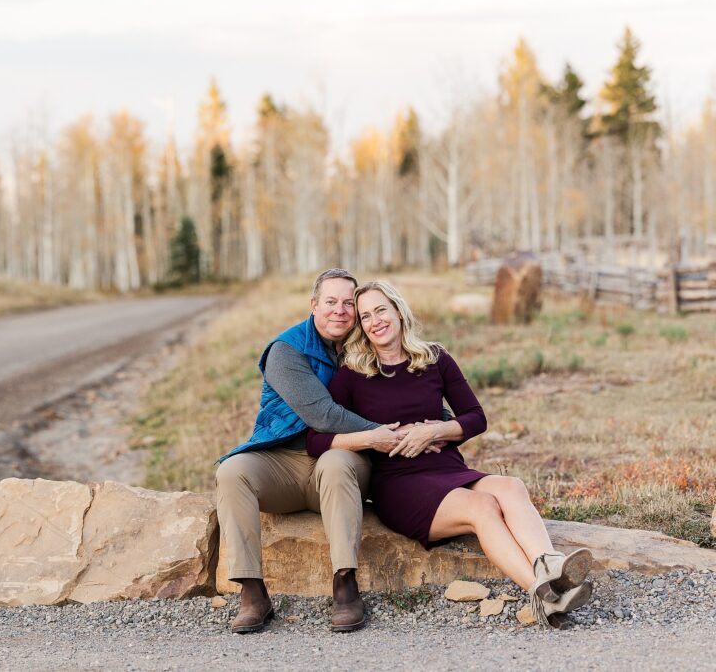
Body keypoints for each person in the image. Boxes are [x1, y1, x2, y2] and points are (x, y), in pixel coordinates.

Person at [306, 280, 594, 628]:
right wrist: (374, 438)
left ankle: (550, 566)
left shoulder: (434, 358)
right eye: (365, 316)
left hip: (447, 467)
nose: (375, 321)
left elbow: (476, 417)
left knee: (512, 486)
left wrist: (437, 430)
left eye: (381, 310)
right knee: (482, 507)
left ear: (398, 310)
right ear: (361, 327)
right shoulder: (353, 374)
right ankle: (541, 594)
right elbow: (315, 441)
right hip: (399, 484)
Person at [215, 269, 448, 634]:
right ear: (313, 306)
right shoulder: (286, 351)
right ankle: (252, 591)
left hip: (346, 459)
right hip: (287, 461)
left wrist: (436, 427)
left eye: (348, 304)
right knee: (232, 471)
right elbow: (322, 415)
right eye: (330, 302)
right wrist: (388, 434)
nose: (339, 311)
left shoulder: (366, 346)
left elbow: (413, 390)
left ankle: (344, 585)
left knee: (337, 462)